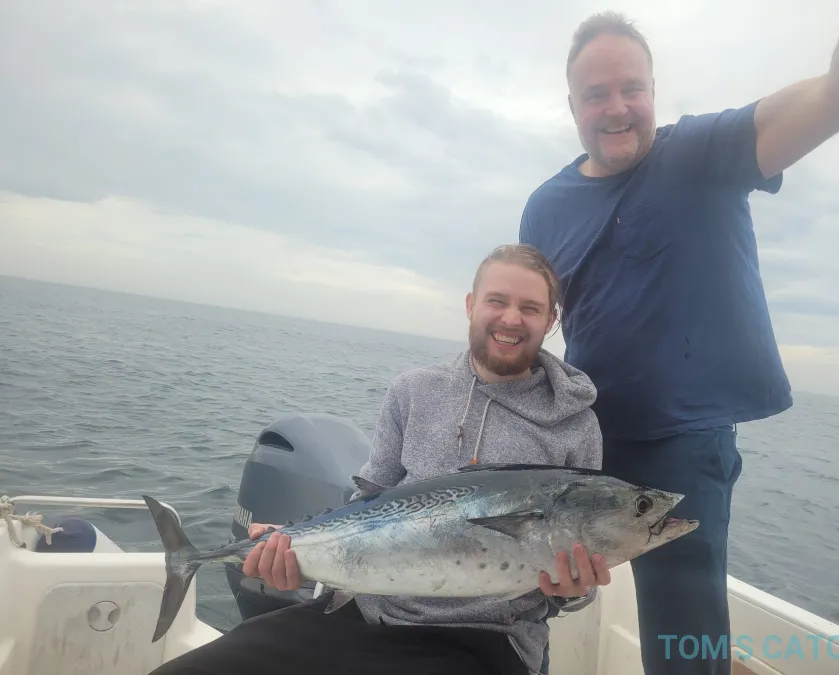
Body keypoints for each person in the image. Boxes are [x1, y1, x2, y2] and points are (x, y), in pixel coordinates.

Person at [518, 6, 839, 675]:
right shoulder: (544, 206)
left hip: (682, 446)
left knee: (682, 647)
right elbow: (527, 330)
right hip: (580, 439)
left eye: (632, 88)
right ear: (572, 105)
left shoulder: (702, 151)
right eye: (597, 93)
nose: (617, 107)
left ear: (654, 92)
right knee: (521, 600)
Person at [149, 243, 610, 675]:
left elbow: (575, 576)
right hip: (368, 610)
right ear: (471, 305)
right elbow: (368, 503)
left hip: (487, 639)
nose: (511, 318)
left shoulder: (574, 424)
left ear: (551, 320)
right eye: (497, 301)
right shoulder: (413, 391)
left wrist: (573, 591)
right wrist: (296, 545)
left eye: (530, 308)